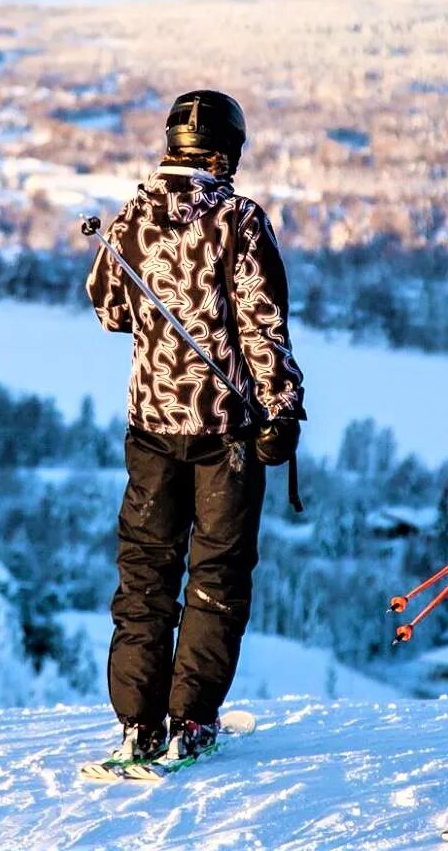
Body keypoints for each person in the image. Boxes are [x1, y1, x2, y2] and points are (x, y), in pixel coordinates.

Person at [86, 89, 306, 767]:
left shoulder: (131, 217)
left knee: (145, 575)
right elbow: (261, 326)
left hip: (150, 425)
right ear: (229, 150)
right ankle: (192, 721)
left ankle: (136, 724)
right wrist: (282, 407)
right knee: (216, 574)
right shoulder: (237, 219)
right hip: (225, 434)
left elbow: (109, 311)